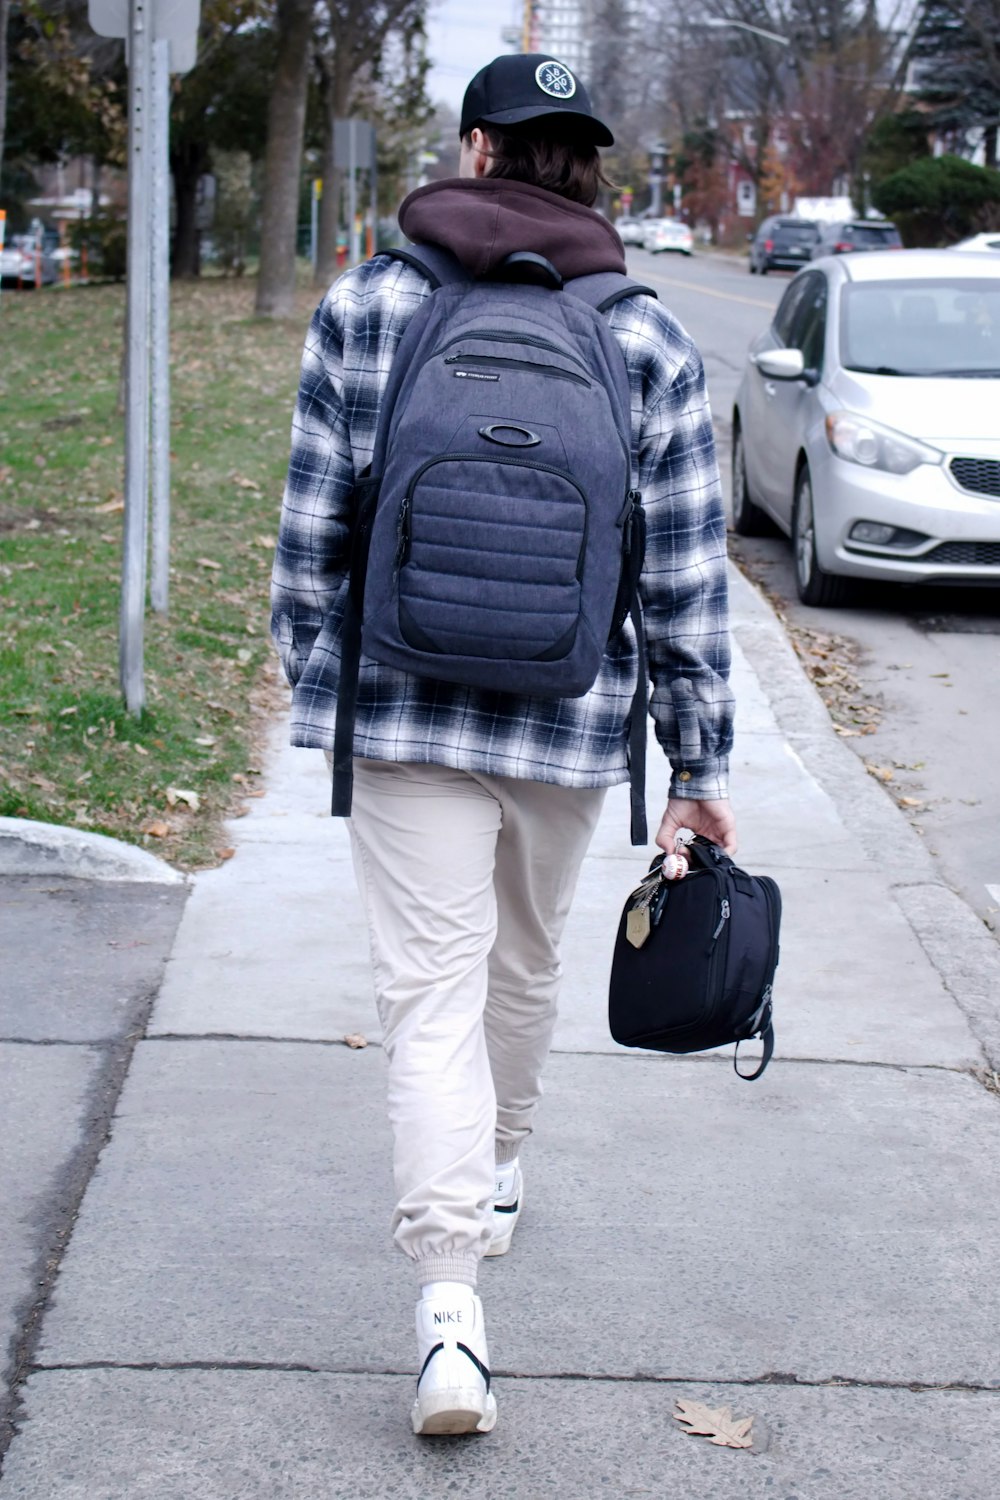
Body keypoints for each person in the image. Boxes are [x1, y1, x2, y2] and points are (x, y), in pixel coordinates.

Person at [271, 52, 736, 1437]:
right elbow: (688, 574)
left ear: (477, 149)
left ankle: (449, 1321)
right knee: (520, 968)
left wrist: (323, 677)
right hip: (569, 715)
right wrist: (700, 764)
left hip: (405, 706)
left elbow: (310, 534)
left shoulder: (369, 304)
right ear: (590, 166)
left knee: (429, 995)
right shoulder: (647, 338)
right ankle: (504, 1168)